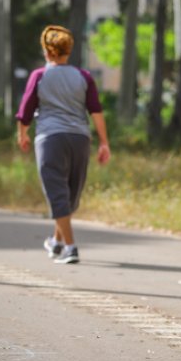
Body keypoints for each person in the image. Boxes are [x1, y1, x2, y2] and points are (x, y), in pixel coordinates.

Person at [16, 25, 111, 264]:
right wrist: (104, 143)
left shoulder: (39, 76)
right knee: (69, 195)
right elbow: (96, 111)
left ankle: (70, 247)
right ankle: (56, 242)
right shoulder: (84, 76)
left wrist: (22, 135)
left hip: (50, 138)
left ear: (47, 51)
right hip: (80, 138)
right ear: (68, 50)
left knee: (58, 193)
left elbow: (25, 111)